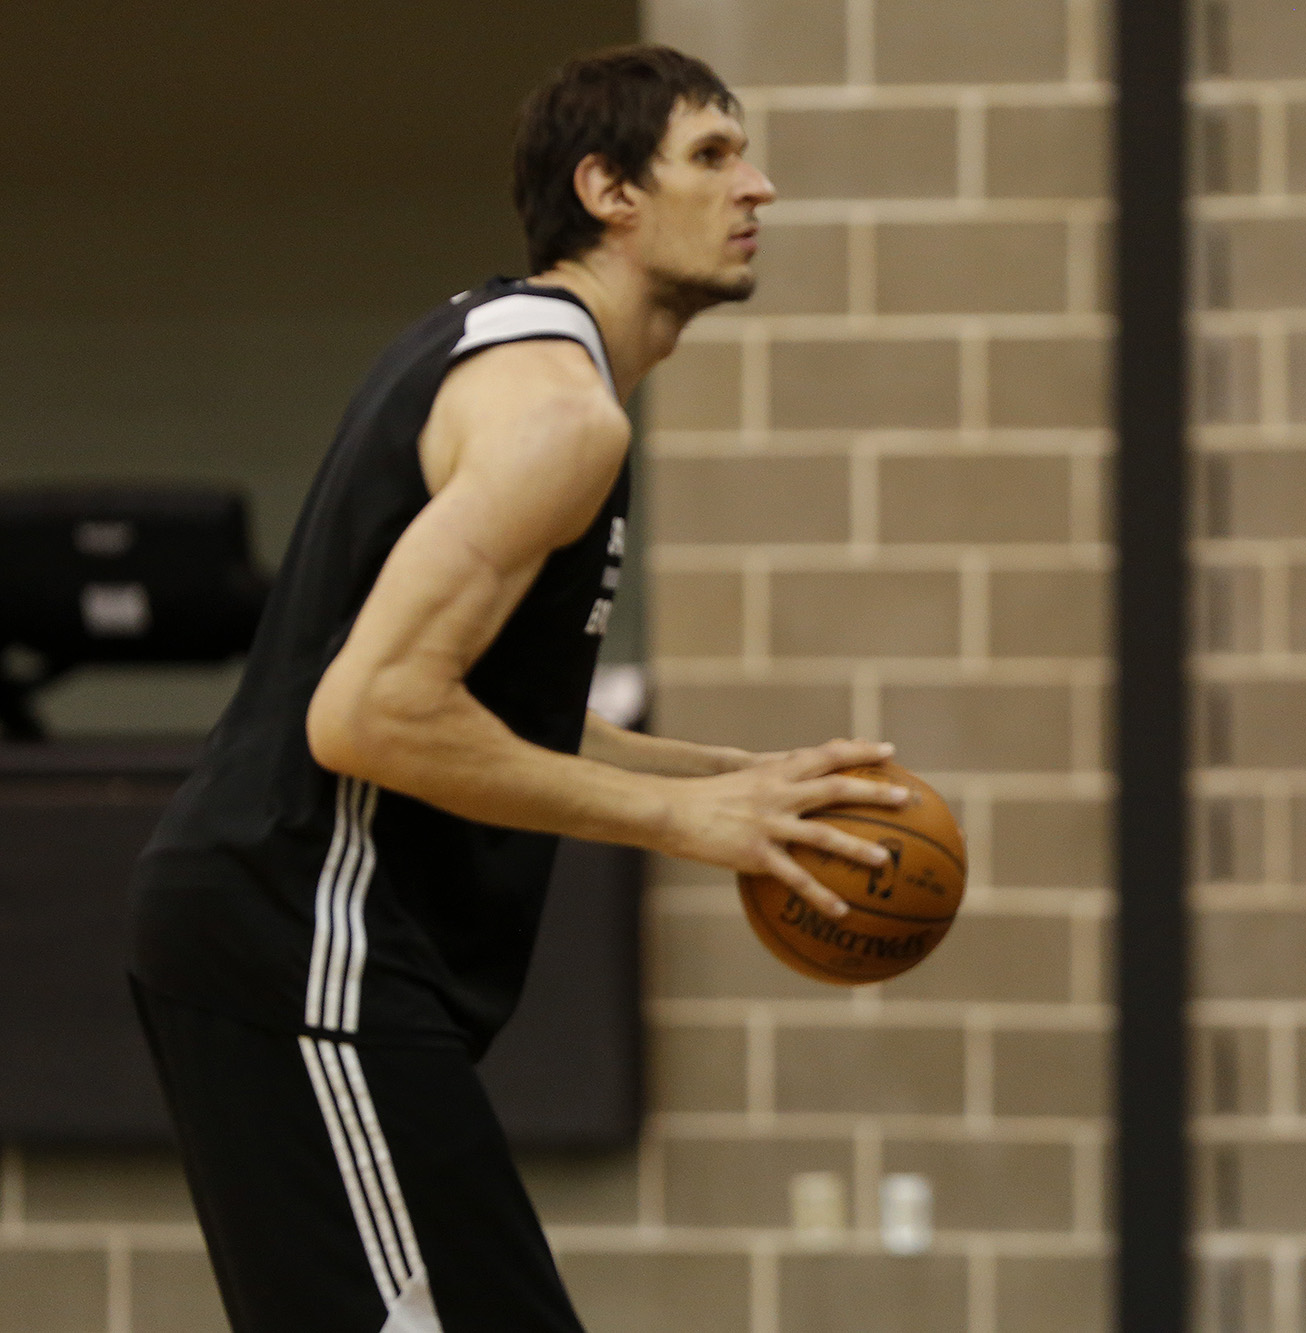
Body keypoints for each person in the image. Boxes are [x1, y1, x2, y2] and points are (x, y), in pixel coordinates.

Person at [127, 45, 905, 1333]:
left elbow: (485, 711)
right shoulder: (560, 413)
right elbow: (368, 714)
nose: (757, 186)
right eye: (712, 156)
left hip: (294, 941)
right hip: (304, 935)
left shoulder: (508, 353)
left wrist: (739, 783)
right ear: (606, 189)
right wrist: (677, 824)